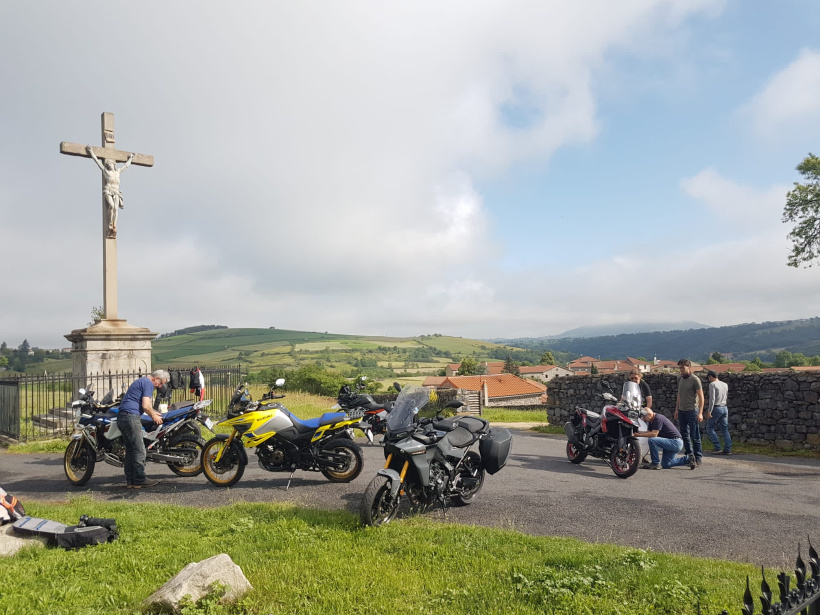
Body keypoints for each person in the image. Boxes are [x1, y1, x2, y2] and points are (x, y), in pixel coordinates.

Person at [117, 370, 169, 488]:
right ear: (156, 379)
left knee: (131, 449)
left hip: (122, 417)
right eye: (161, 383)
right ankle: (140, 479)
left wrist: (155, 412)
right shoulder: (148, 383)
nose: (160, 386)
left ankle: (131, 481)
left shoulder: (141, 381)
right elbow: (146, 406)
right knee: (140, 449)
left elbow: (145, 405)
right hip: (131, 417)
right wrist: (154, 416)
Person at [86, 145, 134, 236]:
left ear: (113, 165)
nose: (109, 165)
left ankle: (114, 224)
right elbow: (97, 162)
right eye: (108, 164)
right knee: (111, 206)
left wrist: (131, 158)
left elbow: (126, 166)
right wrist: (91, 152)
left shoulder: (118, 172)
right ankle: (110, 223)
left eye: (110, 164)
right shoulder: (106, 171)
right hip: (108, 190)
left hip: (116, 191)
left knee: (116, 208)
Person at [675, 359, 704, 466]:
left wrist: (700, 412)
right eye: (680, 368)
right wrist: (676, 409)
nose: (681, 370)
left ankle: (698, 456)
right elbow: (679, 394)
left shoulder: (695, 380)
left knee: (695, 435)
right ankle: (689, 455)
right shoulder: (680, 379)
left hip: (692, 411)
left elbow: (701, 397)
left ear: (689, 367)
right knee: (684, 434)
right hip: (682, 411)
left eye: (683, 367)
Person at [705, 371, 732, 454]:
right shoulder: (725, 384)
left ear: (710, 376)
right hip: (724, 407)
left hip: (716, 408)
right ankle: (728, 448)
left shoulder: (712, 384)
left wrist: (709, 410)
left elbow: (712, 399)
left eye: (708, 377)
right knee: (725, 429)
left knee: (709, 427)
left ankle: (717, 447)